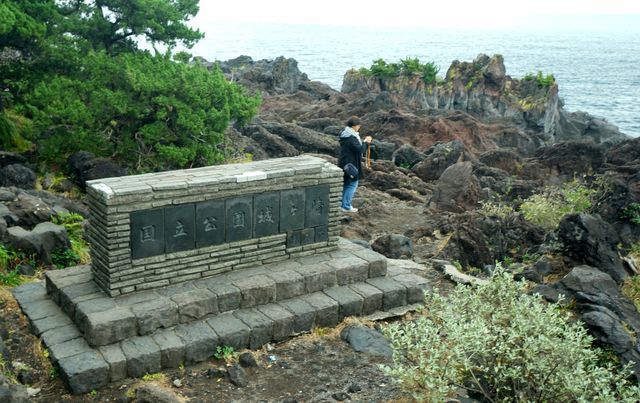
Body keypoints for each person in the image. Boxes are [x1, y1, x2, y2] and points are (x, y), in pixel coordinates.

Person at [338, 116, 372, 213]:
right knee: (352, 184)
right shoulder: (351, 137)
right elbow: (360, 150)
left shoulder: (345, 134)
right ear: (354, 126)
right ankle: (346, 206)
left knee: (346, 183)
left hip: (344, 162)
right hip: (351, 164)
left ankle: (342, 204)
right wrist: (366, 142)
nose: (359, 127)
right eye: (358, 125)